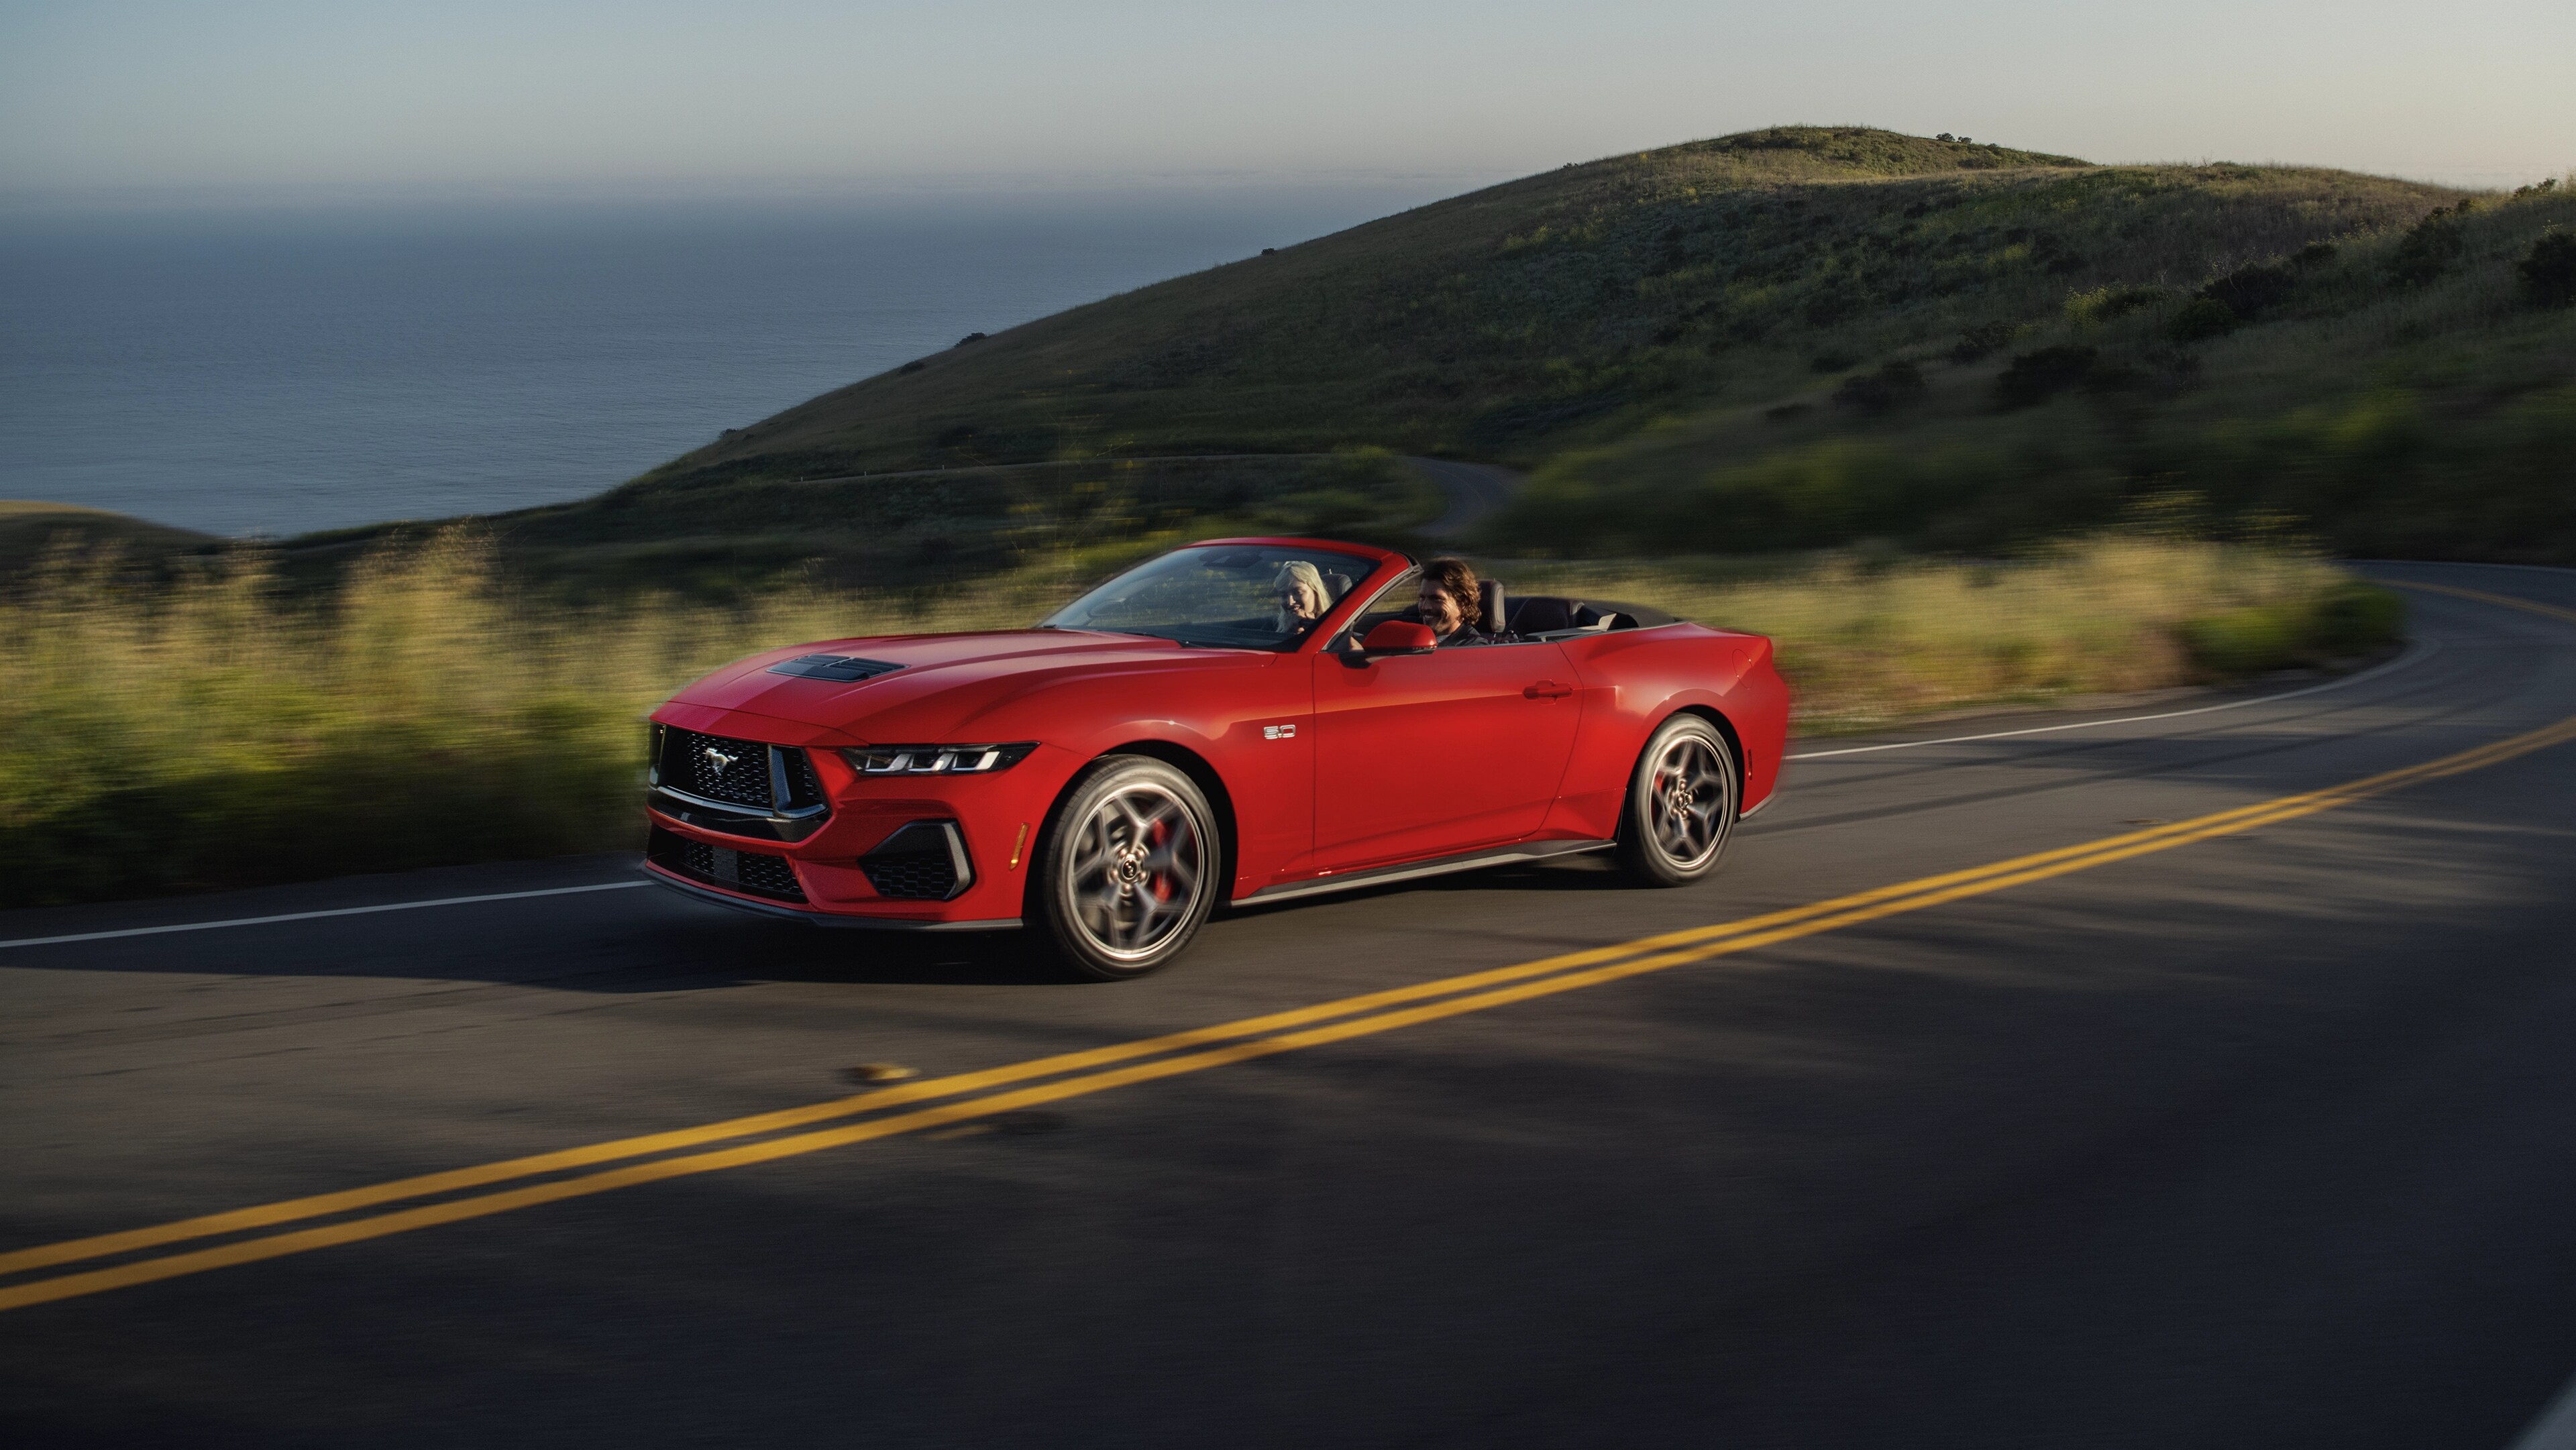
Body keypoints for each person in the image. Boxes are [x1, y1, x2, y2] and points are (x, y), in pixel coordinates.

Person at [1415, 557, 1506, 646]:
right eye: (1422, 598)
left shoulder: (1473, 649)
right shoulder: (1416, 638)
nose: (1425, 607)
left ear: (1463, 603)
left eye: (1437, 599)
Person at [1272, 559, 1330, 634]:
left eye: (1298, 592)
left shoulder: (1338, 630)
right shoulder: (1272, 631)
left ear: (1316, 592)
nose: (1290, 602)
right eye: (1284, 595)